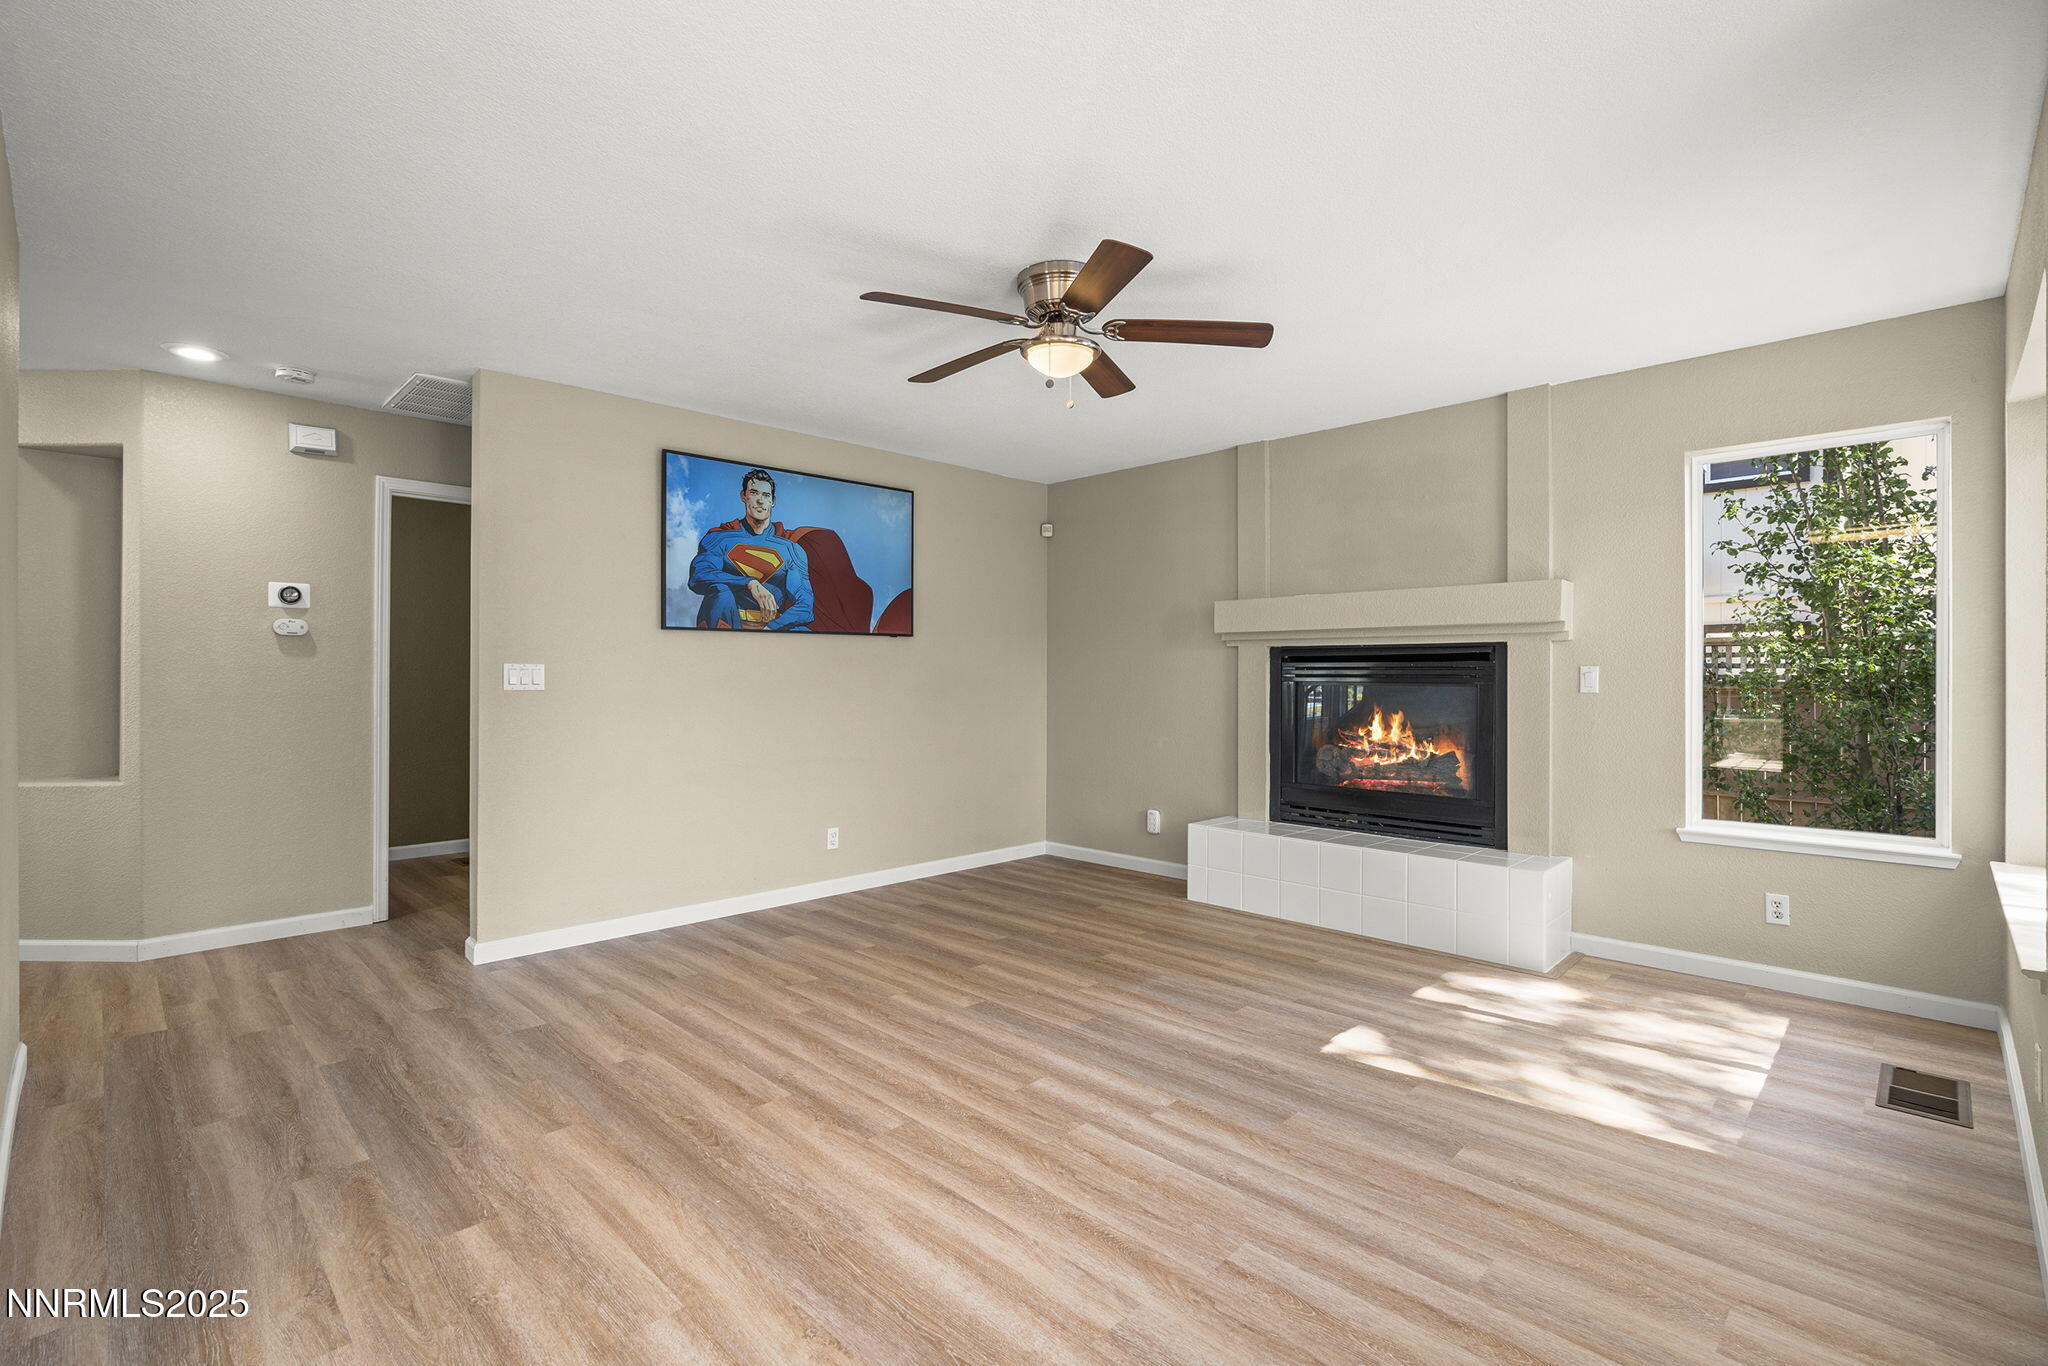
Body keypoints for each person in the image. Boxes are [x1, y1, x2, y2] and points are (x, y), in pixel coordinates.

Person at [687, 467, 814, 630]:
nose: (760, 501)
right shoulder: (720, 539)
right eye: (754, 493)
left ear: (773, 501)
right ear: (744, 496)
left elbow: (805, 606)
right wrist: (749, 583)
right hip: (727, 624)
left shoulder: (791, 550)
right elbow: (699, 575)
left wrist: (771, 629)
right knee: (721, 592)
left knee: (802, 631)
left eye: (766, 495)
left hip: (772, 627)